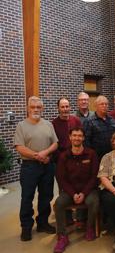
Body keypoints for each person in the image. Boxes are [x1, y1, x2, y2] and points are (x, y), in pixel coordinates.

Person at [14, 96, 58, 241]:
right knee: (27, 197)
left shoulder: (48, 124)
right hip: (29, 167)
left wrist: (45, 153)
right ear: (28, 108)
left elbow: (55, 144)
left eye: (38, 107)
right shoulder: (21, 125)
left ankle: (43, 223)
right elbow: (19, 147)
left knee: (46, 195)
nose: (36, 110)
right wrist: (37, 155)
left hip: (47, 166)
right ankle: (26, 227)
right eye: (33, 107)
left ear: (42, 108)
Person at [54, 127, 99, 253]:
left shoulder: (91, 154)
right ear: (70, 137)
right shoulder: (64, 156)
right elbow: (61, 179)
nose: (77, 138)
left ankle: (90, 228)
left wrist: (84, 193)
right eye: (74, 135)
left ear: (83, 138)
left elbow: (94, 176)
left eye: (79, 136)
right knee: (58, 204)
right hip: (70, 191)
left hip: (88, 189)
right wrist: (73, 194)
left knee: (93, 202)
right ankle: (62, 236)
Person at [84, 95, 115, 160]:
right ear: (96, 106)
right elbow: (86, 142)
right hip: (97, 157)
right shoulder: (89, 121)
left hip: (112, 155)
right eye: (102, 104)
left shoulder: (112, 120)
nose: (104, 106)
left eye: (106, 104)